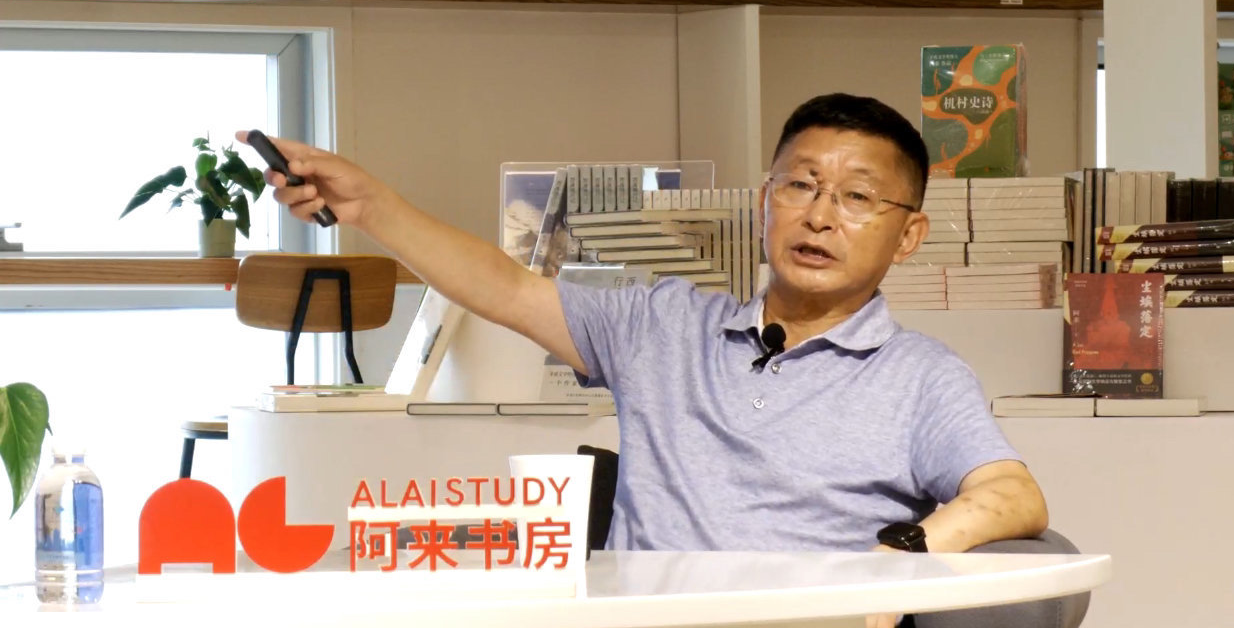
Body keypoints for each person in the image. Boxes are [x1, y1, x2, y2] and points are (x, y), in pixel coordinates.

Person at [240, 92, 1049, 627]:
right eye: (800, 185)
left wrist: (897, 562)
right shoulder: (660, 324)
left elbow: (1012, 494)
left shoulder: (920, 376)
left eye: (858, 197)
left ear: (908, 236)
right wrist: (370, 205)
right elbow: (504, 288)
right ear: (764, 203)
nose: (820, 216)